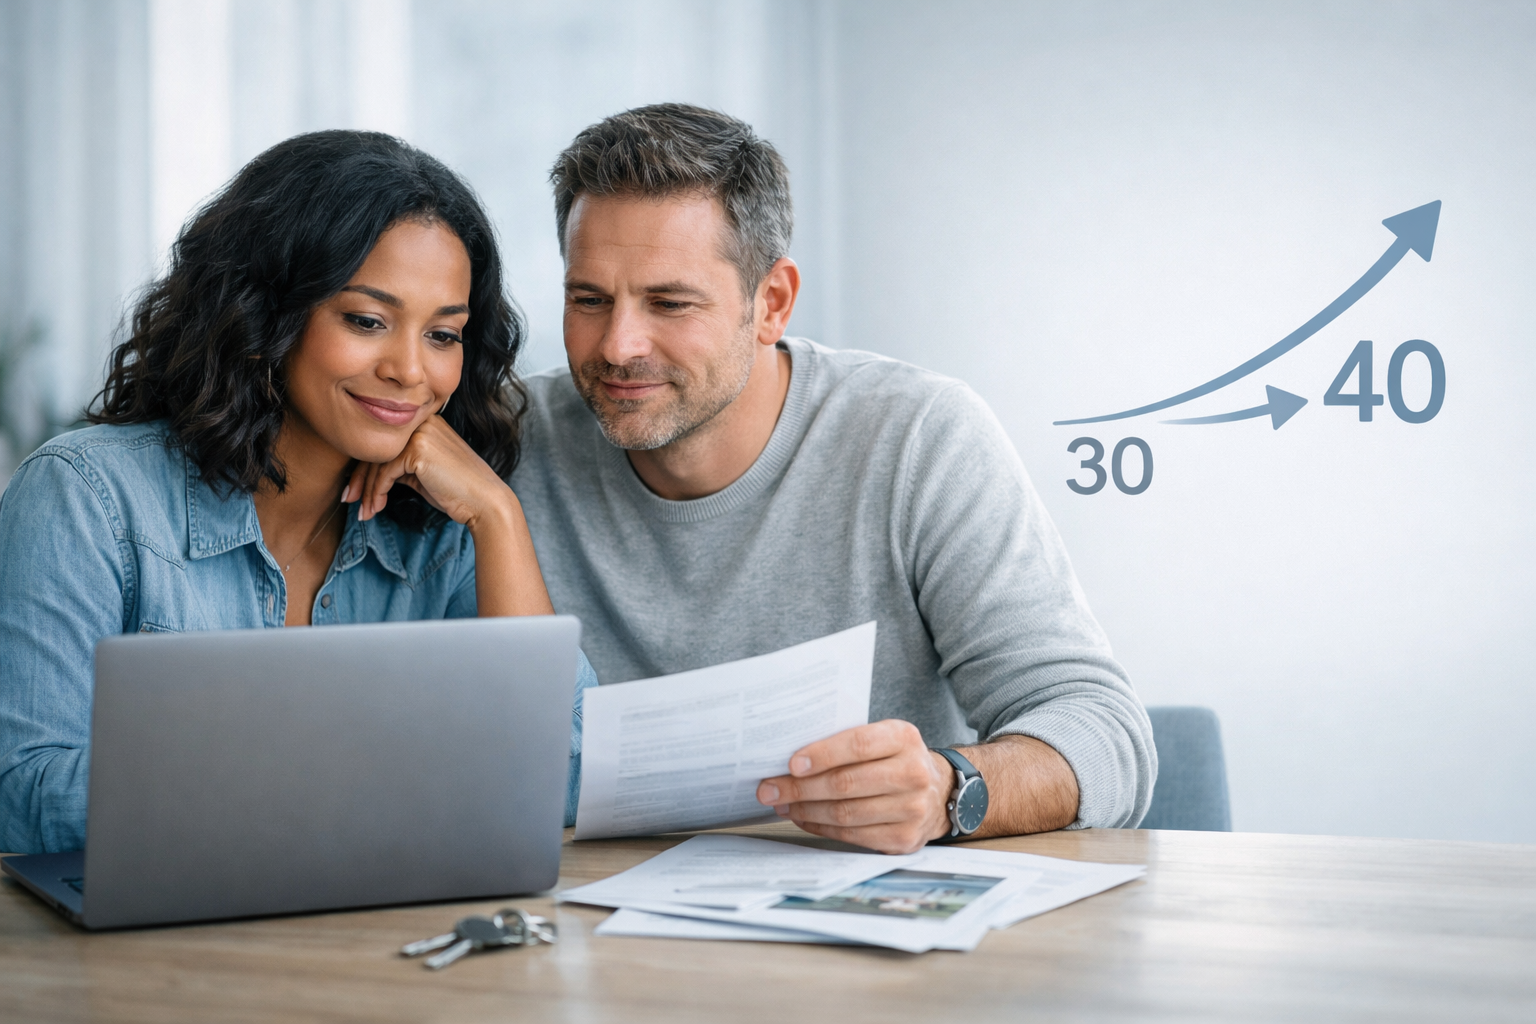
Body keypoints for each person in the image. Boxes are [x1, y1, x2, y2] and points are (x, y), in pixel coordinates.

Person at [510, 104, 1156, 855]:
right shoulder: (505, 443)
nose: (618, 345)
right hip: (590, 924)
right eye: (588, 300)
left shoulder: (918, 436)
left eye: (669, 303)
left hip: (858, 930)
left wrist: (950, 791)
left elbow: (1105, 734)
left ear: (772, 303)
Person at [0, 130, 596, 855]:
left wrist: (498, 517)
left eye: (443, 335)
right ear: (262, 318)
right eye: (367, 321)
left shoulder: (444, 525)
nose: (411, 370)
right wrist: (352, 764)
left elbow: (570, 774)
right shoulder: (87, 497)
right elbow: (21, 798)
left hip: (380, 938)